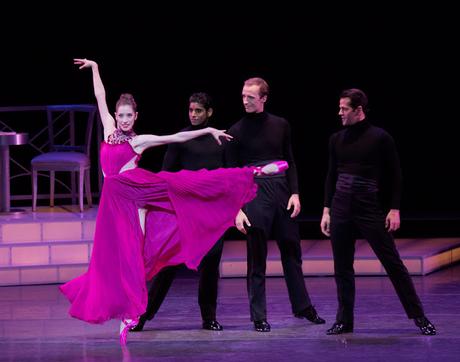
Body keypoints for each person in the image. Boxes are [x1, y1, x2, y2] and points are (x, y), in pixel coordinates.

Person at [59, 59, 284, 344]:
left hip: (135, 193)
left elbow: (176, 137)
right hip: (111, 201)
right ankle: (130, 309)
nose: (125, 120)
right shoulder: (107, 130)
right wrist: (95, 68)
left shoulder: (138, 141)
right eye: (121, 115)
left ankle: (252, 172)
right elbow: (100, 96)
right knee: (107, 259)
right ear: (115, 115)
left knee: (145, 241)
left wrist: (207, 131)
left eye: (130, 116)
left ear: (136, 116)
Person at [320, 88, 436, 335]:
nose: (339, 112)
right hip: (341, 207)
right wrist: (326, 210)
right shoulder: (336, 139)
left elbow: (396, 174)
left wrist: (394, 209)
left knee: (392, 263)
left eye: (344, 109)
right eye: (339, 108)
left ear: (358, 110)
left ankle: (419, 316)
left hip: (368, 208)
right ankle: (344, 320)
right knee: (342, 267)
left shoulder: (380, 137)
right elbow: (331, 175)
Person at [225, 77, 325, 332]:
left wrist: (295, 193)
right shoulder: (235, 131)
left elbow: (289, 158)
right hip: (254, 193)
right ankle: (258, 315)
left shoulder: (281, 125)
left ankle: (303, 307)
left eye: (250, 97)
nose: (245, 101)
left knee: (292, 251)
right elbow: (232, 175)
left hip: (281, 190)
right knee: (256, 257)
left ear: (264, 98)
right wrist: (237, 209)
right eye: (243, 96)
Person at [130, 92, 226, 332]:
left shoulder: (220, 140)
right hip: (185, 212)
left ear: (209, 112)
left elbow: (227, 177)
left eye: (198, 111)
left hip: (211, 213)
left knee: (210, 265)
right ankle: (143, 316)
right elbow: (165, 174)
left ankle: (209, 318)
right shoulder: (180, 139)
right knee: (168, 264)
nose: (193, 115)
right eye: (191, 110)